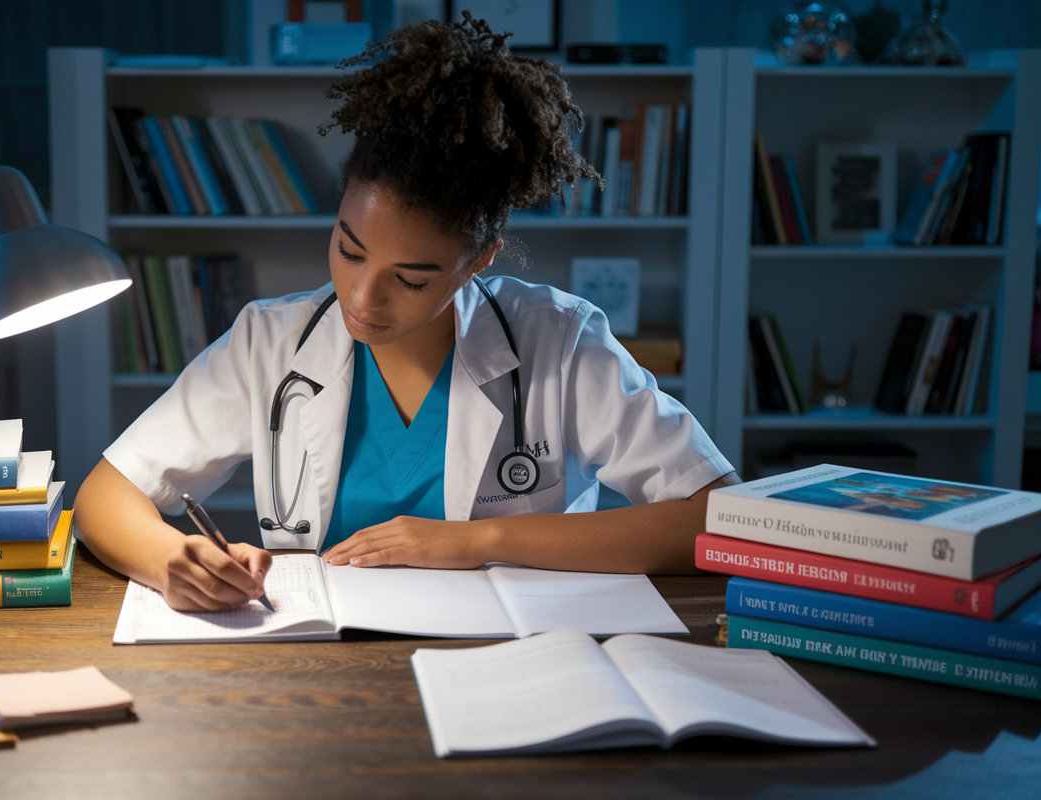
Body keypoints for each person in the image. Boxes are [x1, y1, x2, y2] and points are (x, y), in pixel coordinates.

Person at [73, 15, 738, 613]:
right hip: (318, 668)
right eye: (348, 250)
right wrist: (172, 561)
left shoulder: (558, 341)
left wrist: (477, 541)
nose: (362, 299)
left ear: (479, 261)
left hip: (513, 652)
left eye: (412, 278)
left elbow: (710, 518)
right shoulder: (268, 343)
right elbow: (105, 495)